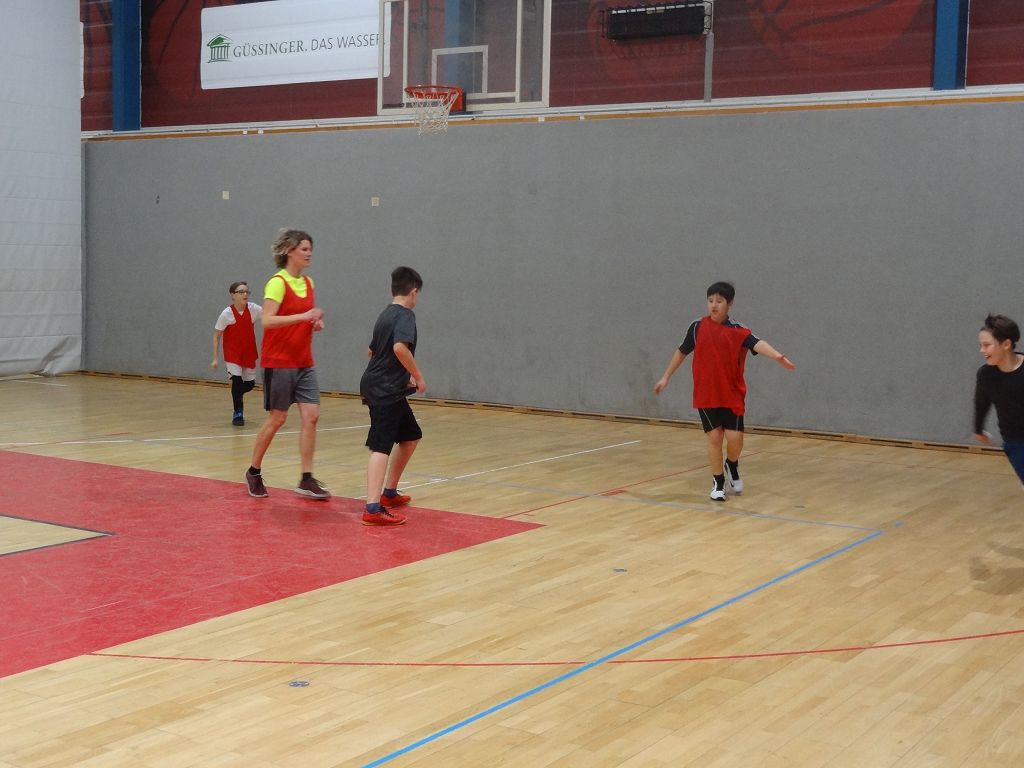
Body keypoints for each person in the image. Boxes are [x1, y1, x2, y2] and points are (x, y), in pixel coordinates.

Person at [654, 281, 795, 501]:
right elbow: (681, 352)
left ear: (729, 304)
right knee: (715, 437)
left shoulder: (738, 330)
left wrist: (778, 356)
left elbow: (757, 343)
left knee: (735, 439)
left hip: (732, 393)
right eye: (710, 300)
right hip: (706, 393)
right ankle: (718, 481)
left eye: (719, 301)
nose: (714, 305)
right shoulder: (697, 327)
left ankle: (732, 464)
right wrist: (665, 377)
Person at [244, 229, 329, 500]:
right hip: (279, 362)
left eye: (310, 248)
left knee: (311, 416)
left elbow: (303, 319)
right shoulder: (277, 283)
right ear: (290, 251)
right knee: (277, 419)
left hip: (304, 362)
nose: (309, 253)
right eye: (304, 249)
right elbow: (267, 321)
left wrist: (314, 323)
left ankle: (306, 478)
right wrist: (303, 316)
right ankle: (254, 471)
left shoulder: (309, 283)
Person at [358, 266, 426, 526]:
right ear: (414, 292)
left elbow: (372, 352)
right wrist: (417, 376)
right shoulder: (406, 315)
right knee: (381, 445)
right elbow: (399, 348)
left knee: (410, 436)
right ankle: (372, 508)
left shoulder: (385, 314)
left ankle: (389, 493)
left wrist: (399, 374)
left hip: (386, 385)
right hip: (384, 389)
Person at [973, 313, 1024, 488]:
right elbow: (981, 402)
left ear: (1006, 344)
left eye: (987, 345)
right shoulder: (986, 375)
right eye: (980, 345)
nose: (982, 350)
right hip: (1015, 441)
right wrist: (978, 428)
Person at [211, 281, 262, 426]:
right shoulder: (226, 314)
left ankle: (237, 392)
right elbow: (216, 336)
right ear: (233, 295)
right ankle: (238, 413)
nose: (245, 294)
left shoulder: (253, 309)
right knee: (237, 381)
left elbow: (269, 314)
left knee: (249, 385)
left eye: (246, 291)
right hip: (233, 354)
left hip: (248, 352)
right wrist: (215, 358)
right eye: (241, 292)